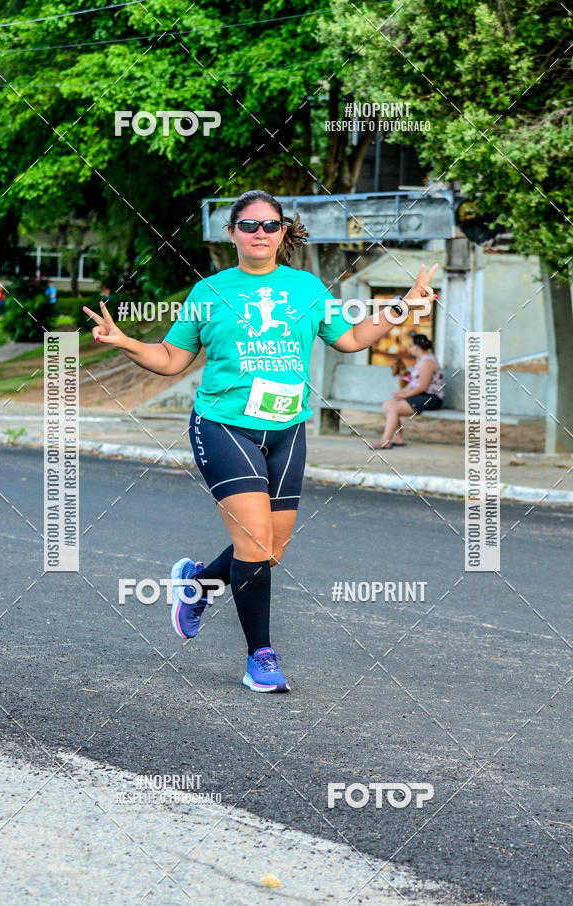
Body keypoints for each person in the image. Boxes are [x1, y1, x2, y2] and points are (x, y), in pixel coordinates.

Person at [82, 189, 438, 692]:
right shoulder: (209, 293)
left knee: (269, 550)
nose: (260, 234)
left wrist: (404, 307)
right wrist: (125, 343)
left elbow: (352, 338)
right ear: (232, 233)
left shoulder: (307, 288)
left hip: (287, 428)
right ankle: (260, 657)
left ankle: (198, 583)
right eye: (248, 226)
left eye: (269, 225)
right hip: (223, 424)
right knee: (251, 539)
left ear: (282, 232)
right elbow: (170, 359)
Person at [374, 334, 444, 449]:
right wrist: (402, 392)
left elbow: (422, 386)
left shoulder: (427, 362)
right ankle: (398, 438)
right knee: (387, 404)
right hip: (421, 395)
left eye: (411, 345)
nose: (410, 348)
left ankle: (385, 441)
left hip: (431, 398)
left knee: (394, 408)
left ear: (416, 347)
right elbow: (414, 382)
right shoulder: (421, 360)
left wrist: (405, 396)